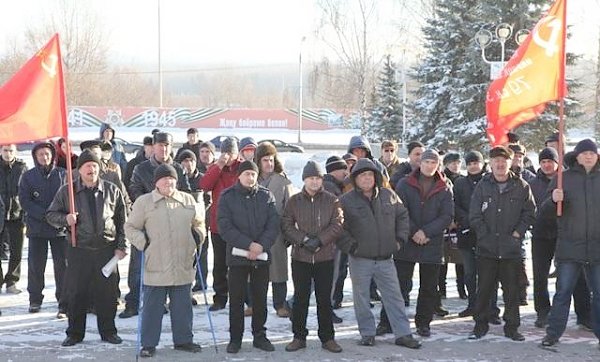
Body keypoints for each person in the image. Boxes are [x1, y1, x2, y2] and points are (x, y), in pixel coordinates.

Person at [336, 158, 421, 349]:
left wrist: (399, 240)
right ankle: (367, 333)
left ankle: (403, 334)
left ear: (375, 177)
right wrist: (351, 247)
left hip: (385, 258)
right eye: (362, 175)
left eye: (369, 175)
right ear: (355, 179)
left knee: (394, 297)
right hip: (360, 259)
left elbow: (403, 216)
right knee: (362, 298)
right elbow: (339, 228)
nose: (366, 179)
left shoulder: (389, 195)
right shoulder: (346, 201)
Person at [46, 150, 127, 347]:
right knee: (76, 293)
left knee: (107, 294)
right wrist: (66, 219)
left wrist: (122, 246)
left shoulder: (112, 190)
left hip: (106, 250)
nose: (92, 169)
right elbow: (50, 215)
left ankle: (108, 331)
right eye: (87, 166)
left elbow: (122, 220)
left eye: (95, 165)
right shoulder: (68, 191)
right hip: (78, 249)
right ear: (79, 170)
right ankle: (74, 333)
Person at [125, 163, 206, 357]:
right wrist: (142, 242)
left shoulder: (187, 199)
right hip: (156, 263)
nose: (168, 182)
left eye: (172, 179)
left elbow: (200, 222)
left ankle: (184, 340)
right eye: (164, 179)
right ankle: (148, 344)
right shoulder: (144, 202)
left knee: (182, 307)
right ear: (156, 182)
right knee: (152, 308)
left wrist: (198, 236)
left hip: (182, 262)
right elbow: (130, 227)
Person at [468, 146, 535, 341]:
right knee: (484, 290)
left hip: (510, 250)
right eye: (496, 160)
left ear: (510, 162)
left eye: (504, 161)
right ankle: (480, 325)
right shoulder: (483, 185)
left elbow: (530, 213)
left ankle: (512, 327)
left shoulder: (521, 186)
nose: (500, 164)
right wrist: (483, 235)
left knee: (512, 292)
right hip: (486, 249)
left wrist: (517, 233)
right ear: (490, 163)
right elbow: (474, 215)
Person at [122, 132, 190, 318]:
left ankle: (162, 303)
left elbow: (186, 195)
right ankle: (133, 302)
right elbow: (134, 191)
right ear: (153, 146)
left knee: (170, 265)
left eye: (167, 145)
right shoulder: (141, 168)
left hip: (172, 225)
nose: (163, 148)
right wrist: (152, 204)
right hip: (147, 224)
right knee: (138, 267)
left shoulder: (178, 168)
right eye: (160, 145)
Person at [541, 139, 600, 347]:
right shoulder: (562, 178)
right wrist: (554, 200)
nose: (588, 156)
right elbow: (545, 213)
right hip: (569, 246)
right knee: (563, 292)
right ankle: (553, 334)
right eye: (584, 153)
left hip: (597, 248)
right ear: (577, 156)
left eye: (592, 153)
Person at [217, 160, 280, 354]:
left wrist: (260, 245)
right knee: (236, 299)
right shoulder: (227, 196)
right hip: (237, 256)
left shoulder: (266, 196)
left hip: (261, 256)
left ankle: (259, 336)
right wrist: (248, 244)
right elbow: (224, 226)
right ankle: (235, 338)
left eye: (253, 174)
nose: (250, 178)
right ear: (239, 176)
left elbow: (273, 224)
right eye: (247, 174)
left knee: (260, 299)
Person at [281, 160, 343, 353]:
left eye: (317, 178)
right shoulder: (294, 201)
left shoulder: (332, 200)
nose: (314, 182)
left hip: (325, 257)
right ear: (304, 180)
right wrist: (304, 240)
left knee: (324, 299)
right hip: (301, 257)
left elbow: (338, 224)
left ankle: (327, 337)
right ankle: (299, 336)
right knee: (301, 299)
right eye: (311, 178)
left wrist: (320, 241)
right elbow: (286, 225)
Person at [393, 149, 454, 337]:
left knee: (429, 286)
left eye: (433, 163)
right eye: (427, 162)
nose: (429, 166)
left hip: (432, 242)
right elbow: (399, 210)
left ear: (438, 165)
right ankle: (390, 321)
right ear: (421, 163)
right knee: (399, 285)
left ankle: (423, 322)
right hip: (407, 240)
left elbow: (447, 216)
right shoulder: (405, 183)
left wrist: (426, 232)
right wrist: (414, 232)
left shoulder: (444, 186)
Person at [19, 142, 68, 316]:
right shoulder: (28, 176)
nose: (44, 157)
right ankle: (34, 299)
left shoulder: (63, 174)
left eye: (47, 154)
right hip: (37, 227)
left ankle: (63, 301)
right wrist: (44, 214)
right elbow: (24, 201)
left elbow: (68, 198)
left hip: (59, 228)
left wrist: (58, 216)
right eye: (40, 155)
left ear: (52, 156)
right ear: (35, 157)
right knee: (35, 265)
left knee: (62, 265)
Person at [453, 151, 500, 321]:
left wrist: (480, 221)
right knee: (470, 273)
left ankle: (491, 309)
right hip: (467, 233)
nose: (473, 166)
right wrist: (468, 220)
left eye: (476, 163)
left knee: (489, 273)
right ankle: (473, 305)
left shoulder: (490, 181)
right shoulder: (459, 183)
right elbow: (455, 205)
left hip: (487, 233)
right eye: (470, 163)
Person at [199, 137, 241, 312]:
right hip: (219, 225)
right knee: (220, 264)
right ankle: (220, 296)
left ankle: (240, 297)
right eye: (225, 152)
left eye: (231, 152)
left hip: (239, 225)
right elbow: (205, 185)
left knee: (239, 264)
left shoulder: (242, 168)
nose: (228, 156)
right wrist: (218, 166)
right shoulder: (217, 168)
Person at [254, 141, 294, 318]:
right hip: (255, 234)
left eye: (271, 160)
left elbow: (291, 210)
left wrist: (288, 233)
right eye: (265, 160)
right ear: (258, 161)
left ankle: (280, 304)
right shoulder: (251, 178)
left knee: (278, 271)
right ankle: (254, 304)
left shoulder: (283, 182)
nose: (268, 164)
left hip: (277, 233)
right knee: (254, 272)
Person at [324, 155, 350, 322]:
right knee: (330, 277)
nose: (346, 173)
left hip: (332, 238)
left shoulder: (334, 186)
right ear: (336, 170)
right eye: (343, 169)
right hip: (332, 239)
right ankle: (328, 308)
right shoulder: (330, 188)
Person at [0, 144, 27, 294]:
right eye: (5, 150)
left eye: (11, 151)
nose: (8, 154)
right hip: (0, 213)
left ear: (15, 152)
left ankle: (11, 281)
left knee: (16, 251)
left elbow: (26, 190)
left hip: (17, 215)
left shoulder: (22, 167)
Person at [439, 152, 466, 300]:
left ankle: (461, 289)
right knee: (443, 260)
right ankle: (441, 290)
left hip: (459, 224)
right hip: (444, 224)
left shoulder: (463, 180)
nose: (455, 165)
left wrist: (458, 220)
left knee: (460, 260)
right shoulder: (442, 179)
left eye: (458, 162)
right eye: (452, 162)